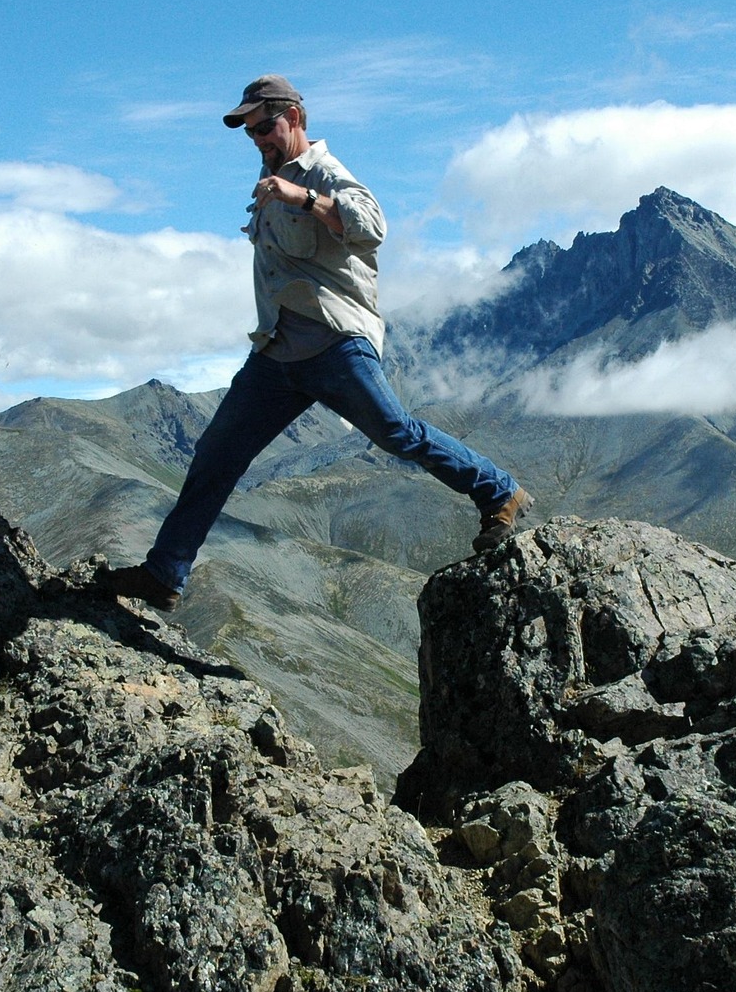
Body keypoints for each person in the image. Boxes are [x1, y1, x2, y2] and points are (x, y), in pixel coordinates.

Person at [98, 74, 531, 612]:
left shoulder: (325, 173)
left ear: (295, 118)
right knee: (215, 455)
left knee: (396, 432)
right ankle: (165, 573)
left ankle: (498, 491)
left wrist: (303, 197)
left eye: (266, 126)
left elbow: (372, 227)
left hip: (334, 343)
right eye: (251, 131)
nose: (258, 139)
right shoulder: (269, 175)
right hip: (277, 352)